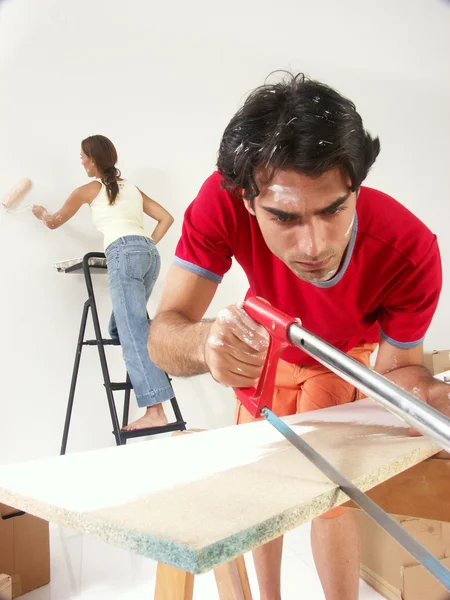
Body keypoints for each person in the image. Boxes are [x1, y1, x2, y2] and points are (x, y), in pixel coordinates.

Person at [147, 73, 450, 600]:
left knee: (331, 495)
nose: (315, 244)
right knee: (257, 490)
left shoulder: (410, 249)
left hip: (342, 360)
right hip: (266, 347)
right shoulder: (217, 203)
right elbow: (163, 335)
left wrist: (426, 395)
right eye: (284, 217)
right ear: (245, 200)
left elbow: (399, 369)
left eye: (334, 208)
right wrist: (204, 345)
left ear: (356, 184)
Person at [32, 134, 175, 431]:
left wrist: (41, 213)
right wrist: (146, 243)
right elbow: (166, 218)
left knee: (132, 330)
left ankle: (155, 409)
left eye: (83, 156)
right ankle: (147, 375)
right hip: (148, 255)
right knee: (124, 327)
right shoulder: (132, 188)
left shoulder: (90, 189)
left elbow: (55, 221)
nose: (81, 161)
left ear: (94, 158)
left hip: (123, 252)